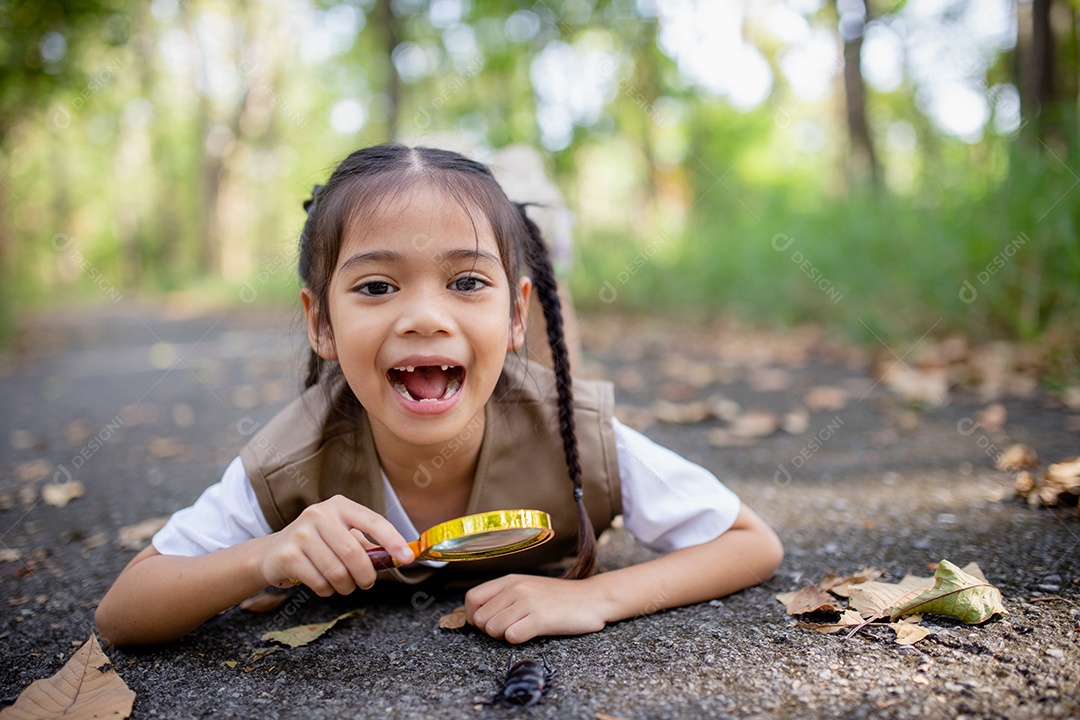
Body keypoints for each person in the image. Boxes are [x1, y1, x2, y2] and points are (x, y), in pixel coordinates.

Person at [95, 144, 783, 647]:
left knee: (553, 356)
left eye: (465, 281)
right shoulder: (291, 459)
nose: (424, 316)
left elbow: (751, 542)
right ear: (320, 324)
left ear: (515, 312)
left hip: (522, 370)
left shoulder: (580, 435)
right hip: (484, 357)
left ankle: (540, 242)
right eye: (375, 286)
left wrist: (599, 598)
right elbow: (123, 612)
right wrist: (262, 557)